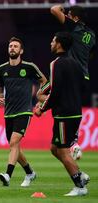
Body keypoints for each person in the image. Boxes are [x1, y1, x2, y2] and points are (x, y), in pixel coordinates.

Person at [35, 32, 90, 196]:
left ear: (59, 44)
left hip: (64, 115)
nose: (50, 43)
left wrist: (41, 108)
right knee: (54, 148)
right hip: (75, 112)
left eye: (53, 40)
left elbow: (55, 92)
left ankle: (80, 186)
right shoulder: (75, 63)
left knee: (63, 151)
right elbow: (83, 87)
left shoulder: (56, 63)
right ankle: (81, 175)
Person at [0, 37, 47, 187]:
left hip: (24, 111)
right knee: (14, 146)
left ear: (21, 51)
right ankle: (30, 172)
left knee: (14, 142)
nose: (12, 48)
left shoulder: (29, 67)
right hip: (8, 112)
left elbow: (44, 81)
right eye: (10, 46)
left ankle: (7, 175)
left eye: (16, 46)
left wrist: (40, 98)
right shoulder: (1, 69)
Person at [50, 4, 96, 157]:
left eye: (69, 15)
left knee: (62, 105)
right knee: (74, 107)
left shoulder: (73, 27)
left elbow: (54, 9)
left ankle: (72, 142)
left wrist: (62, 8)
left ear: (75, 18)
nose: (67, 17)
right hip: (85, 76)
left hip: (71, 75)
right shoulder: (92, 34)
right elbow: (91, 54)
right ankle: (74, 141)